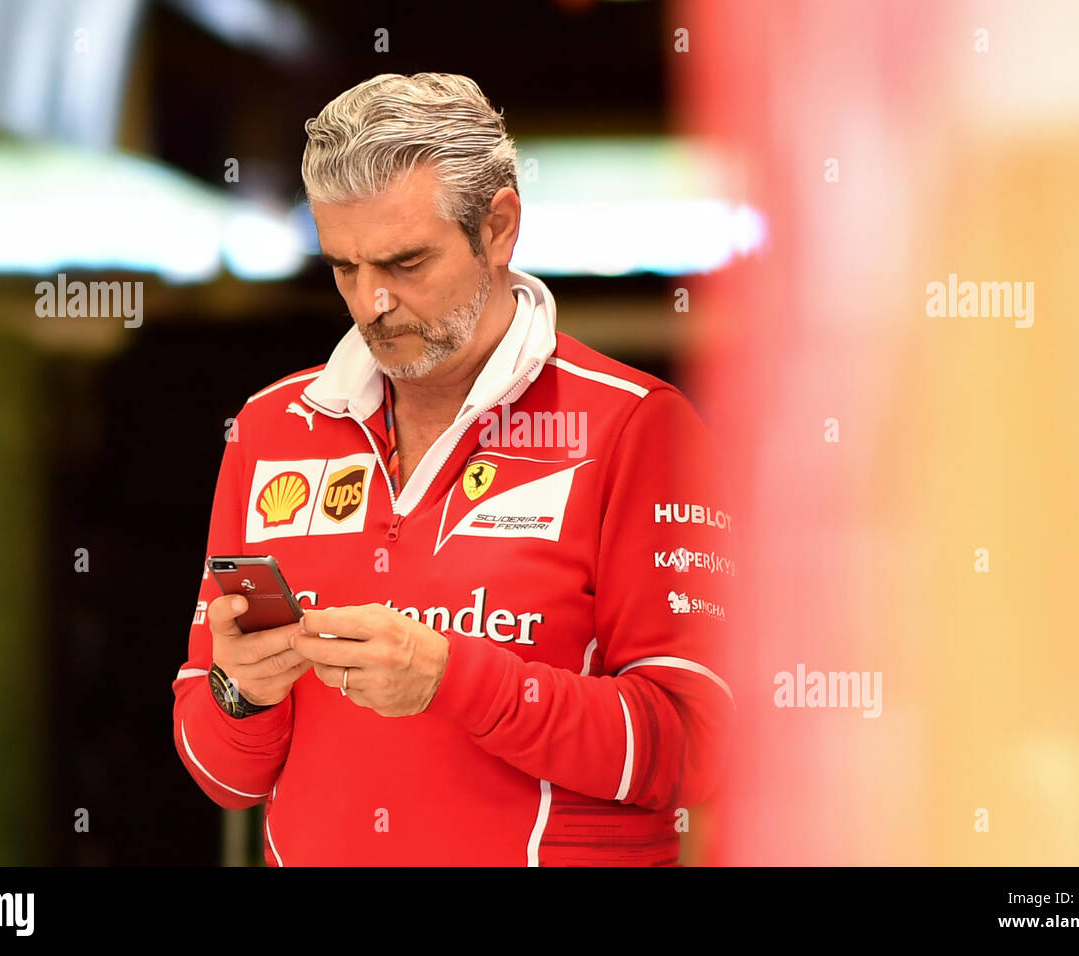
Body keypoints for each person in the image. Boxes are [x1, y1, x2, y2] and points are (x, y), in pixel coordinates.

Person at [172, 72, 736, 865]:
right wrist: (243, 692)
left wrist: (454, 681)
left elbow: (696, 747)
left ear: (498, 227)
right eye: (343, 268)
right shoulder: (271, 429)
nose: (371, 304)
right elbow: (222, 776)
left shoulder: (634, 426)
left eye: (405, 263)